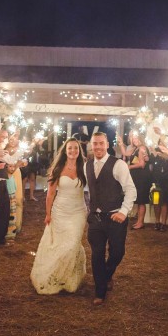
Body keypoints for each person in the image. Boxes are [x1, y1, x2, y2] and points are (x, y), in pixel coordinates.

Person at [30, 139, 88, 294]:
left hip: (78, 212)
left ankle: (69, 277)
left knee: (72, 244)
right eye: (70, 148)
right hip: (60, 212)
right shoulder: (58, 168)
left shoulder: (84, 167)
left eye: (76, 148)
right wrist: (48, 214)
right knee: (60, 245)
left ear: (79, 151)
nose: (73, 151)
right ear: (65, 150)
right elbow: (50, 194)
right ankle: (57, 276)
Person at [85, 132, 136, 305]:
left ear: (107, 144)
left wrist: (124, 211)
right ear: (91, 145)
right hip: (95, 218)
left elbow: (130, 189)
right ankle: (100, 291)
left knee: (117, 252)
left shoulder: (118, 164)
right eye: (95, 144)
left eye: (101, 143)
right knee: (97, 254)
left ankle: (107, 274)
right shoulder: (87, 165)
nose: (98, 147)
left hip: (115, 216)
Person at [117, 131, 150, 230]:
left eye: (136, 138)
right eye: (133, 138)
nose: (134, 140)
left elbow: (142, 164)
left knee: (141, 200)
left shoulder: (142, 148)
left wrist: (129, 166)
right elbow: (125, 153)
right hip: (137, 176)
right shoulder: (136, 148)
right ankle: (139, 221)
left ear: (140, 138)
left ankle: (140, 222)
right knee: (139, 199)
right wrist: (121, 143)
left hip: (142, 177)